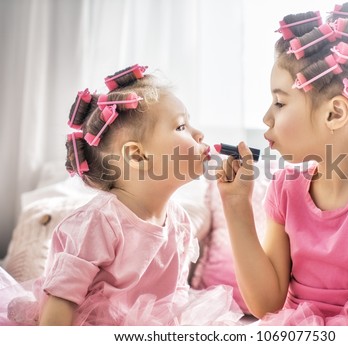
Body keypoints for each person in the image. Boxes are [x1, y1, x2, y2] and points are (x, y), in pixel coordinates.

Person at [216, 2, 348, 326]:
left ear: (334, 113)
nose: (266, 117)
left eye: (279, 102)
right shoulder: (284, 187)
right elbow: (266, 305)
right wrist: (236, 206)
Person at [0, 64, 242, 326]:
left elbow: (176, 296)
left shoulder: (180, 222)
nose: (199, 134)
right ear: (137, 155)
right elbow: (61, 302)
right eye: (181, 126)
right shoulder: (99, 222)